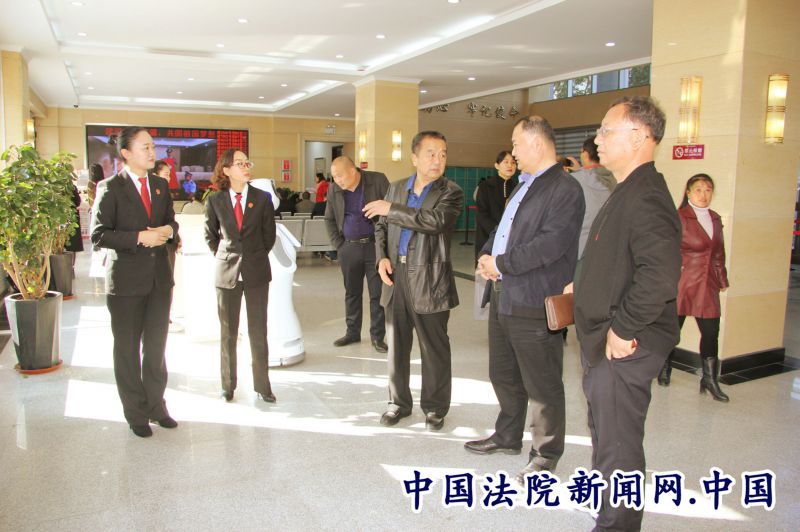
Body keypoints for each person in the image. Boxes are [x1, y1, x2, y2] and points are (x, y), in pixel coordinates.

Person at [570, 96, 682, 531]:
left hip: (626, 340)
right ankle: (608, 507)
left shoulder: (646, 195)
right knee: (606, 430)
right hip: (608, 334)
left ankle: (617, 524)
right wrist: (582, 284)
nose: (597, 139)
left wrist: (623, 328)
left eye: (605, 130)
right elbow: (620, 260)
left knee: (619, 443)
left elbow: (659, 276)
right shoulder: (627, 188)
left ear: (638, 137)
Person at [467, 117, 584, 484]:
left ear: (536, 143)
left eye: (517, 144)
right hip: (504, 294)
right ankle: (507, 435)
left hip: (534, 298)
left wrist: (500, 264)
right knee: (503, 373)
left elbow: (549, 245)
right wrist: (486, 256)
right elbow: (502, 230)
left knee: (542, 383)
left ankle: (545, 455)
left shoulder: (565, 189)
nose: (513, 152)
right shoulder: (523, 185)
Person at [367, 131, 464, 431]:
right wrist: (382, 257)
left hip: (430, 279)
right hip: (395, 277)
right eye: (431, 153)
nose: (438, 160)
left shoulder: (451, 192)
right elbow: (381, 227)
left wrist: (391, 209)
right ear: (414, 157)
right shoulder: (396, 188)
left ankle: (435, 408)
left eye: (443, 154)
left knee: (434, 348)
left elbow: (434, 222)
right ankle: (398, 403)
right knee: (396, 346)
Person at [91, 126, 179, 438]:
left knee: (155, 348)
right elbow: (99, 234)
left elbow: (171, 222)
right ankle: (135, 412)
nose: (152, 152)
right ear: (126, 153)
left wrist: (169, 231)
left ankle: (157, 406)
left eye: (153, 146)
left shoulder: (160, 185)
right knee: (127, 349)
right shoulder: (110, 188)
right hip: (126, 283)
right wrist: (139, 237)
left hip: (159, 280)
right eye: (145, 147)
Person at [204, 149, 277, 404]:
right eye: (239, 163)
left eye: (247, 162)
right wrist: (229, 256)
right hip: (227, 273)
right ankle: (228, 385)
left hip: (257, 271)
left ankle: (263, 386)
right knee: (228, 332)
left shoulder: (263, 198)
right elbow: (211, 236)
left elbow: (269, 236)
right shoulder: (215, 200)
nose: (246, 167)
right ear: (226, 170)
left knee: (258, 331)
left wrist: (252, 256)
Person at [659, 173, 730, 402]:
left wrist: (722, 280)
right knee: (673, 330)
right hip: (683, 282)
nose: (703, 195)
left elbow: (718, 254)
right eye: (698, 189)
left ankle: (709, 380)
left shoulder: (715, 218)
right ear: (688, 192)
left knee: (711, 333)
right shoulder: (679, 217)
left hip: (707, 284)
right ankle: (664, 367)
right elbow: (665, 249)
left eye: (708, 190)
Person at [324, 156, 390, 352]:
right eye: (334, 177)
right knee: (352, 293)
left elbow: (390, 213)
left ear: (353, 171)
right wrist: (339, 245)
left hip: (374, 247)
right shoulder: (334, 189)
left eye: (340, 176)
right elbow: (329, 219)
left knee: (377, 294)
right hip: (349, 248)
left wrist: (385, 248)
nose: (337, 180)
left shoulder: (377, 181)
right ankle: (352, 332)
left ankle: (377, 337)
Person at [570, 136, 616, 257]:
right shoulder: (616, 179)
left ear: (585, 154)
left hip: (579, 251)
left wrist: (577, 172)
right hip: (606, 250)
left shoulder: (573, 181)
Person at [474, 150, 518, 261]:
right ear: (497, 166)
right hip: (487, 237)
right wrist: (499, 233)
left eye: (513, 162)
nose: (510, 165)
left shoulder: (518, 187)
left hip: (511, 239)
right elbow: (482, 214)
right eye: (506, 162)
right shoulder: (485, 186)